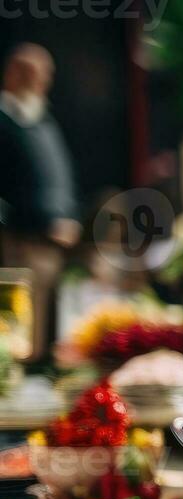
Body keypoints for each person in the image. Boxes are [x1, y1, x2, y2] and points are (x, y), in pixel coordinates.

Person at [0, 43, 79, 347]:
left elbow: (60, 178)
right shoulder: (5, 123)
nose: (43, 80)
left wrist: (69, 217)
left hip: (55, 244)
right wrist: (41, 221)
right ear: (12, 73)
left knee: (48, 332)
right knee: (22, 334)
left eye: (47, 73)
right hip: (21, 240)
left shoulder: (42, 121)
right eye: (35, 73)